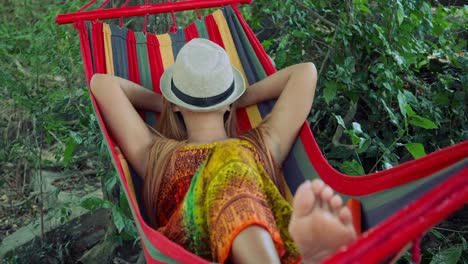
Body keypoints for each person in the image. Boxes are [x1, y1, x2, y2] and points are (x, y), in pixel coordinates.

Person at [90, 38, 356, 264]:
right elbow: (304, 72)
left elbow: (104, 84)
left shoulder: (153, 154)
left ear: (177, 104)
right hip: (192, 245)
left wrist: (171, 103)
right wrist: (233, 99)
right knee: (230, 156)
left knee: (231, 156)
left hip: (264, 239)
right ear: (228, 104)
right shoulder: (262, 144)